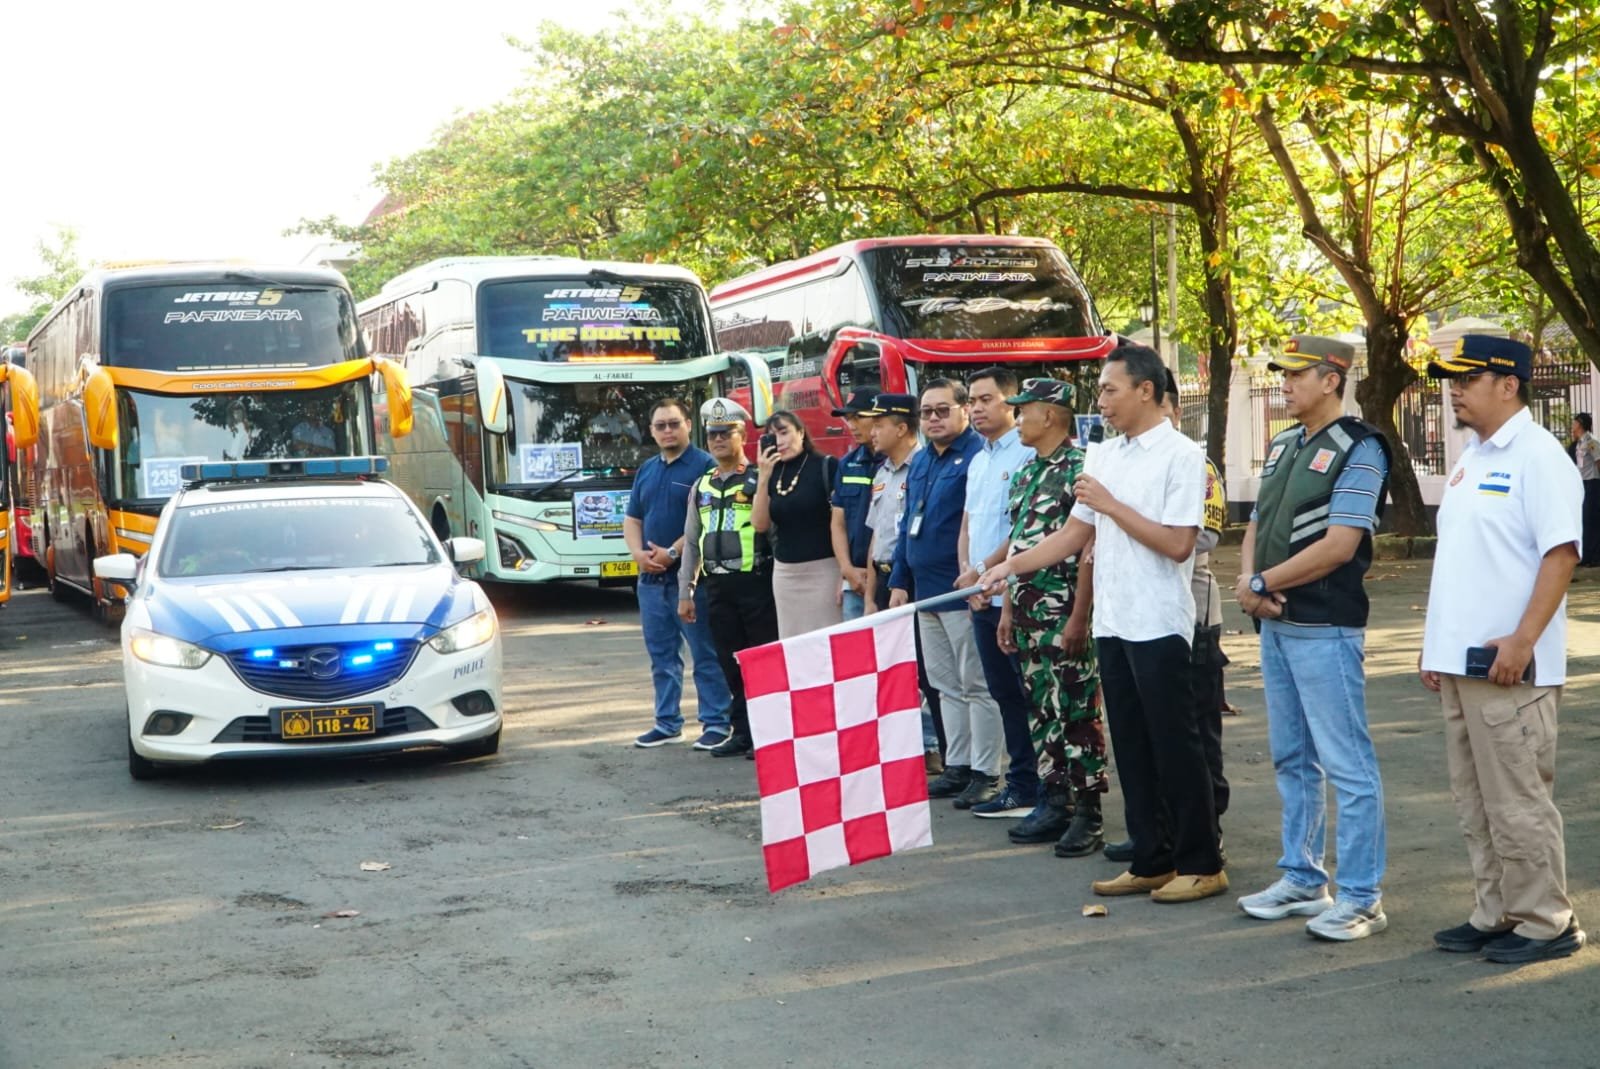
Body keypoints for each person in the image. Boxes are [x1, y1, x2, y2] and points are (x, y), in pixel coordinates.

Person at [980, 343, 1224, 904]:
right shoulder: (1105, 455)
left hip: (1158, 621)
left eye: (1111, 390)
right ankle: (1151, 858)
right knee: (1132, 747)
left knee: (1176, 746)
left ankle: (1201, 862)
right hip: (1113, 622)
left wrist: (1112, 506)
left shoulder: (1182, 456)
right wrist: (1009, 568)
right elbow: (1073, 534)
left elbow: (1178, 544)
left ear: (1146, 390)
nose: (1102, 401)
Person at [1420, 335, 1587, 965]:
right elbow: (1463, 562)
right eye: (1451, 380)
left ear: (1509, 384)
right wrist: (1434, 646)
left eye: (1466, 379)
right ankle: (1496, 912)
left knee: (1517, 801)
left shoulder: (1538, 457)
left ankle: (1547, 921)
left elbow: (1561, 555)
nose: (1454, 391)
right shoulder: (1472, 457)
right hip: (1462, 663)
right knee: (1475, 800)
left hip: (1511, 667)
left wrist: (1522, 639)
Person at [1232, 336, 1391, 941]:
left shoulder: (1361, 447)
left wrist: (1262, 582)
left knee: (1348, 766)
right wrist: (1251, 583)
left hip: (1325, 627)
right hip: (1277, 623)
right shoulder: (1283, 443)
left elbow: (1340, 545)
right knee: (1293, 758)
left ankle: (1361, 896)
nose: (1285, 383)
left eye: (1297, 374)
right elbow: (1256, 523)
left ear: (1332, 380)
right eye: (1283, 373)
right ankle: (1302, 877)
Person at [992, 378, 1106, 854]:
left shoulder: (1081, 469)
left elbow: (1087, 547)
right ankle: (1055, 800)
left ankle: (1088, 812)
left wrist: (1080, 616)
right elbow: (1019, 544)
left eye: (1025, 410)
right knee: (1042, 711)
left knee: (1076, 710)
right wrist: (1007, 609)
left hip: (1064, 613)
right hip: (1027, 612)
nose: (1018, 419)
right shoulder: (1026, 472)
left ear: (1051, 415)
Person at [889, 378, 1002, 810]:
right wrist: (899, 580)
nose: (933, 419)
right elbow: (907, 524)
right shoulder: (921, 460)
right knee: (943, 685)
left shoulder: (975, 455)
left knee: (976, 685)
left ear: (962, 411)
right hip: (924, 593)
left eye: (942, 410)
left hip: (960, 592)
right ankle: (958, 764)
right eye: (926, 412)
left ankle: (985, 771)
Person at [953, 367, 1039, 819]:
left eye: (986, 399)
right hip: (982, 595)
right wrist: (970, 578)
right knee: (1003, 693)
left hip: (1016, 595)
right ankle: (1020, 784)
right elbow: (968, 525)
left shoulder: (1026, 454)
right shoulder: (978, 460)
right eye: (972, 400)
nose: (976, 408)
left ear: (1011, 402)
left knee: (1030, 695)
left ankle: (1039, 786)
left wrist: (985, 572)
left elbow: (1023, 530)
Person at [623, 398, 734, 749]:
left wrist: (671, 553)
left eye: (674, 423)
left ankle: (717, 723)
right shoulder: (647, 470)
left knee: (705, 655)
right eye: (661, 426)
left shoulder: (706, 466)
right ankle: (667, 723)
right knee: (662, 658)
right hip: (650, 582)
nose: (668, 431)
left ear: (688, 425)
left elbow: (706, 522)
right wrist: (638, 554)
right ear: (652, 431)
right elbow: (632, 519)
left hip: (691, 580)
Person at [678, 398, 777, 759]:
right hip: (717, 587)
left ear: (742, 435)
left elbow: (774, 533)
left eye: (726, 433)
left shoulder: (758, 478)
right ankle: (743, 732)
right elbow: (692, 541)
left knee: (762, 663)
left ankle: (769, 734)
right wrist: (686, 591)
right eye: (713, 434)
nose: (718, 439)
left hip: (756, 583)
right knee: (729, 663)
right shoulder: (701, 485)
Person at [862, 392, 945, 774]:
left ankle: (940, 750)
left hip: (911, 580)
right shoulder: (882, 472)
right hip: (884, 579)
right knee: (892, 672)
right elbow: (876, 538)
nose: (871, 431)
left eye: (879, 424)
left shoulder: (923, 466)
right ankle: (906, 750)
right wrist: (869, 596)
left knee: (928, 673)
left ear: (901, 428)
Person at [752, 410, 841, 637]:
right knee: (792, 641)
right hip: (786, 574)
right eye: (773, 436)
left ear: (801, 433)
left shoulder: (826, 466)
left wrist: (845, 572)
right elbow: (760, 524)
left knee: (828, 640)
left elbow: (842, 523)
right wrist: (763, 477)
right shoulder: (772, 473)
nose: (780, 441)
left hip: (825, 570)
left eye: (784, 432)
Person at [830, 389, 881, 621]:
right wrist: (846, 569)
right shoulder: (847, 464)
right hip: (854, 579)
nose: (852, 425)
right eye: (849, 419)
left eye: (859, 417)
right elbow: (838, 523)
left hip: (886, 576)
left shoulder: (895, 461)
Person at [1572, 413, 1599, 566]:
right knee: (1584, 520)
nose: (1572, 425)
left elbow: (1598, 461)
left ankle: (1594, 556)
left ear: (1580, 424)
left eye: (1574, 422)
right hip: (1583, 484)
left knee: (1591, 520)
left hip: (1592, 483)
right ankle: (1586, 555)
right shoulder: (1579, 442)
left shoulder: (1591, 442)